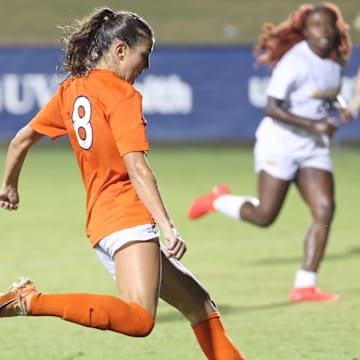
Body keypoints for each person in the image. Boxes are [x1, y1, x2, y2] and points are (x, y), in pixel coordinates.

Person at [0, 8, 244, 360]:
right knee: (140, 320)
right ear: (119, 50)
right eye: (144, 55)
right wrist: (168, 225)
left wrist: (9, 185)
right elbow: (137, 168)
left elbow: (21, 140)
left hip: (102, 219)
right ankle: (30, 301)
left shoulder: (72, 91)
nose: (145, 66)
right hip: (126, 217)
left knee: (200, 305)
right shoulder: (122, 96)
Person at [188, 2, 353, 303]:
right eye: (317, 25)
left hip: (312, 148)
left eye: (329, 25)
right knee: (265, 216)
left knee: (325, 210)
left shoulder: (336, 58)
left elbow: (328, 91)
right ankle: (218, 200)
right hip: (280, 143)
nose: (324, 31)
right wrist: (314, 123)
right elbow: (272, 107)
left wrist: (339, 105)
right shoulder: (294, 63)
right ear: (304, 31)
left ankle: (305, 285)